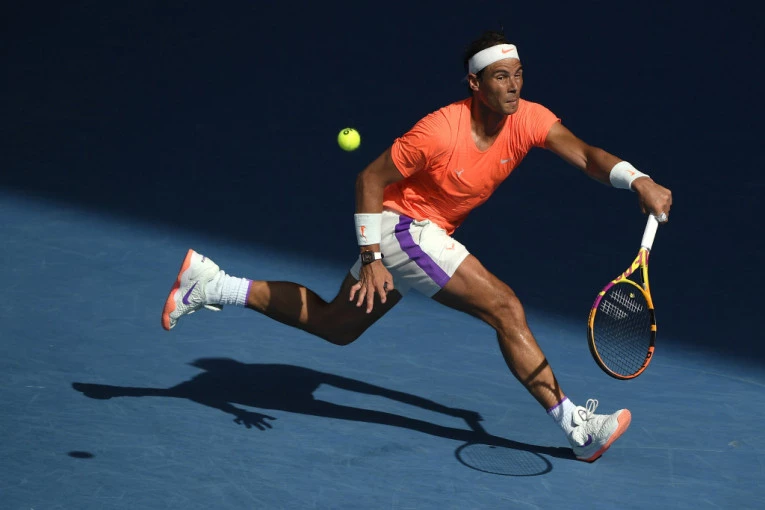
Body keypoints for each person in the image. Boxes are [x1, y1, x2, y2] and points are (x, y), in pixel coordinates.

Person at [161, 30, 672, 462]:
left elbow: (584, 155)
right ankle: (577, 427)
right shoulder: (438, 131)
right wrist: (371, 258)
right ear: (475, 84)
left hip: (421, 234)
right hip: (399, 228)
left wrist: (638, 179)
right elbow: (368, 179)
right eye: (500, 77)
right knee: (504, 307)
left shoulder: (529, 118)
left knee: (336, 325)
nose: (514, 85)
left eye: (518, 74)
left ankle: (212, 283)